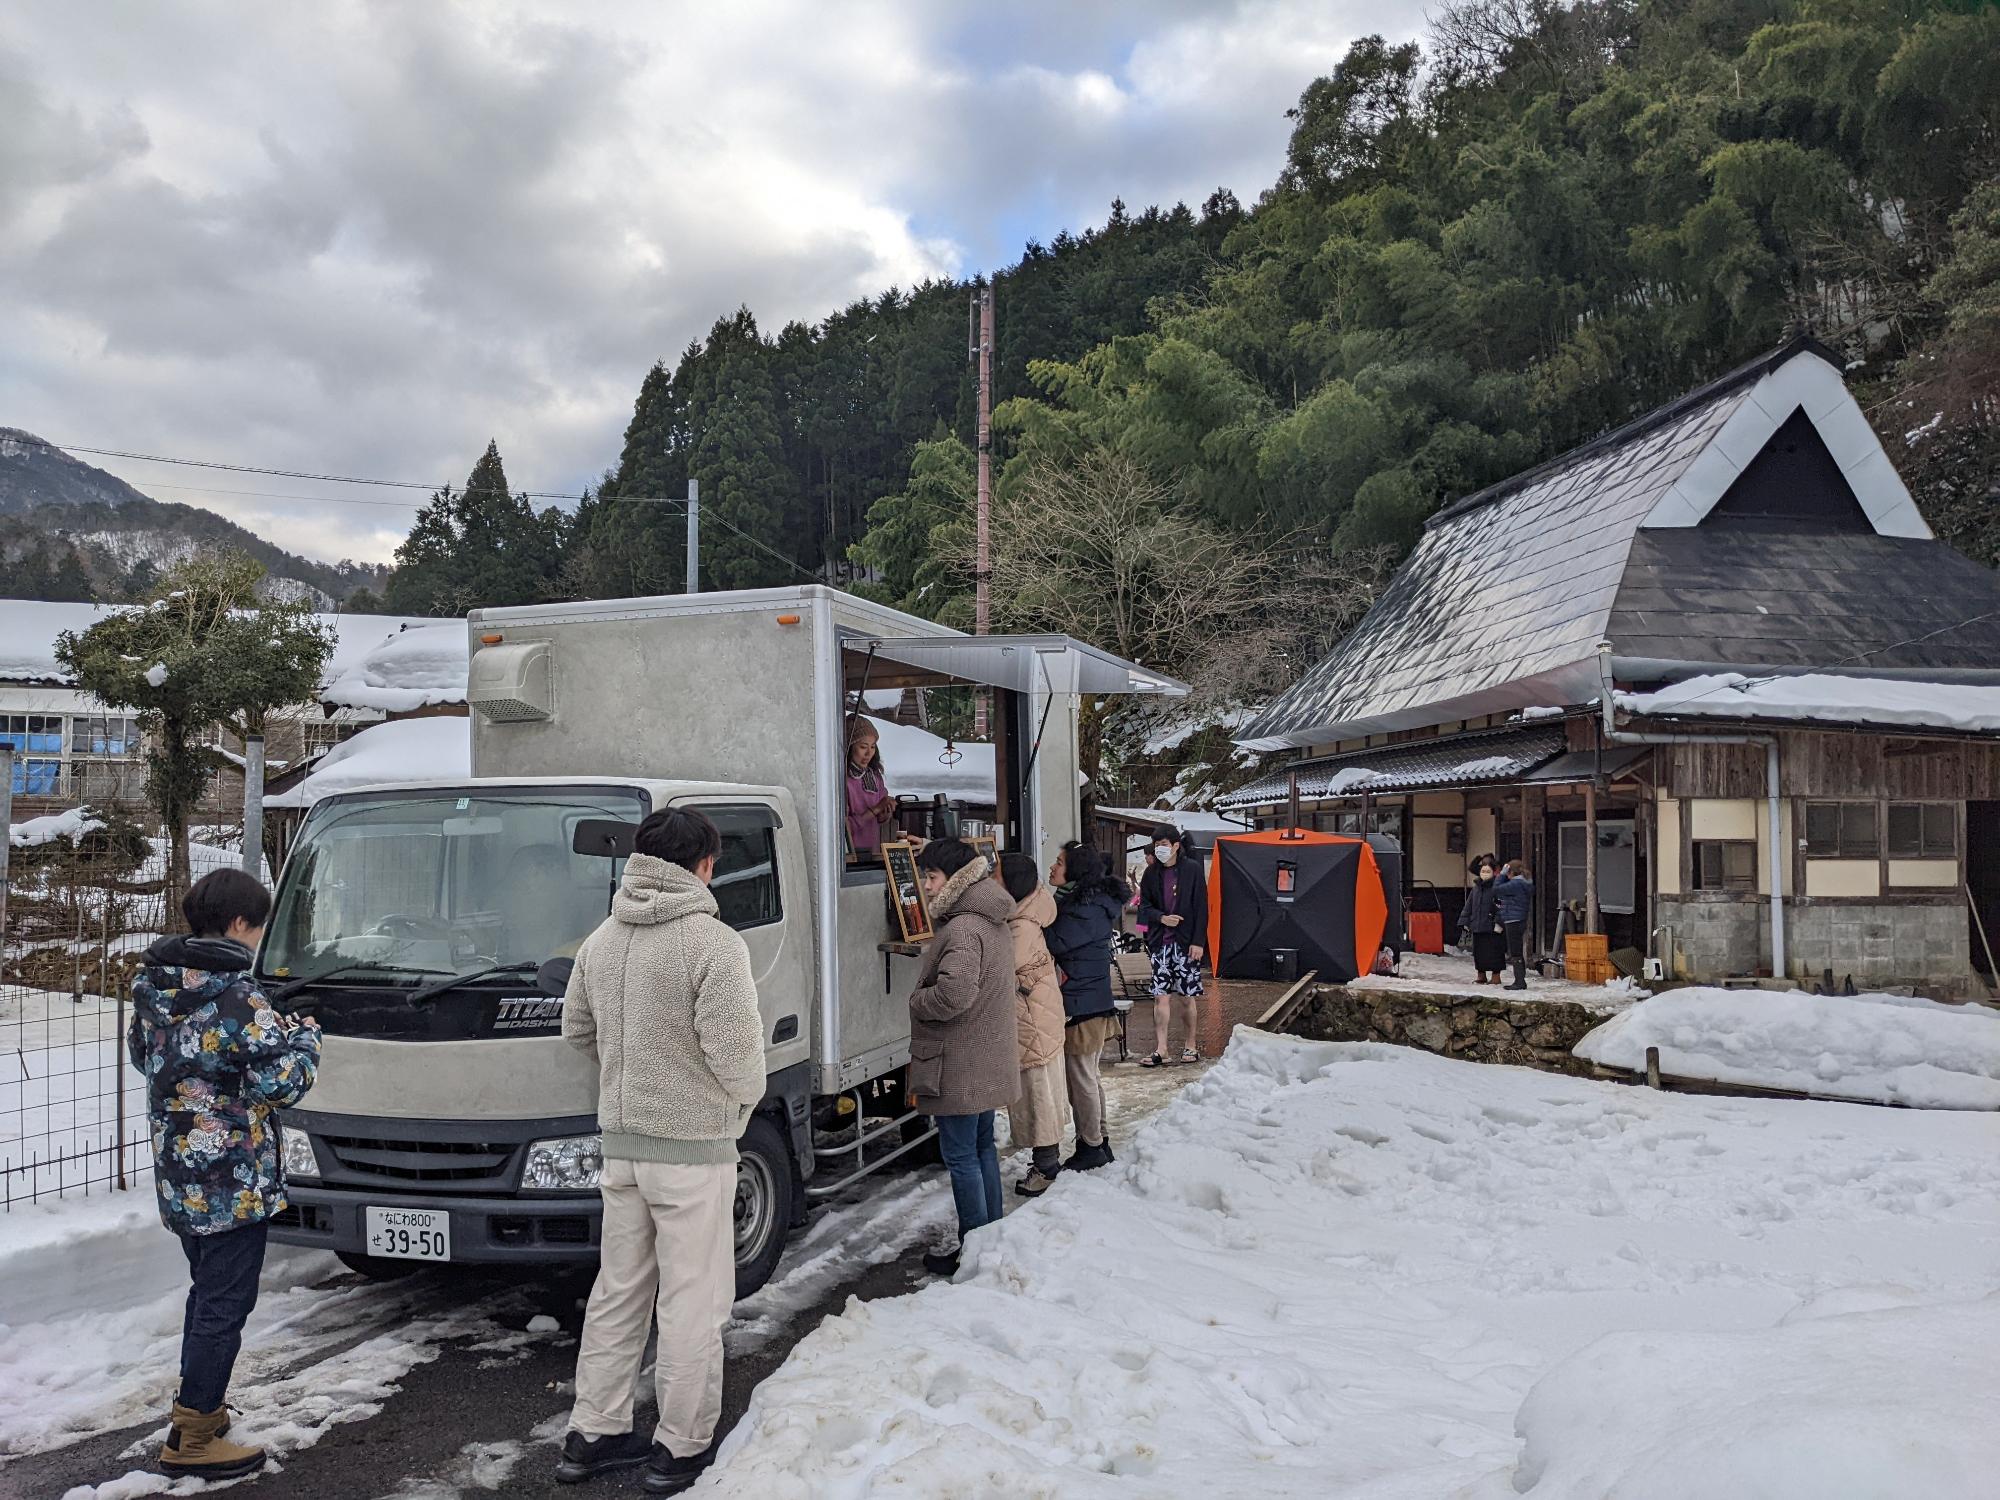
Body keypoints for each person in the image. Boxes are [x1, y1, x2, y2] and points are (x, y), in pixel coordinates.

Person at [555, 807, 766, 1494]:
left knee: (618, 1292)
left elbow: (576, 1030)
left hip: (623, 1148)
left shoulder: (603, 938)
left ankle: (593, 1432)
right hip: (694, 1149)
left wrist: (630, 1074)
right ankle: (681, 1444)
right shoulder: (713, 943)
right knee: (691, 1301)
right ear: (703, 864)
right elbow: (738, 1056)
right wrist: (739, 1104)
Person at [128, 868, 322, 1481]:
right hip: (233, 1181)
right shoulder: (240, 998)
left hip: (180, 1172)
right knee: (224, 1305)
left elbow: (145, 1058)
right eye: (259, 926)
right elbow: (282, 1084)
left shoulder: (154, 984)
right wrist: (305, 1037)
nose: (259, 938)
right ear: (239, 924)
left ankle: (202, 1414)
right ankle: (192, 1437)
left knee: (206, 1293)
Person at [908, 838, 1021, 1277]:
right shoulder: (989, 917)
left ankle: (972, 1247)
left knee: (961, 1157)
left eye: (932, 877)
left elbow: (954, 994)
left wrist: (918, 1001)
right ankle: (988, 1239)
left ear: (955, 879)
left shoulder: (962, 928)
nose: (927, 886)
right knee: (981, 1148)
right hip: (984, 1057)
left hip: (959, 1062)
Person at [1044, 842, 1128, 1171]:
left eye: (1059, 862)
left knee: (1081, 1081)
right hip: (1090, 998)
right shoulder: (1088, 901)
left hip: (1082, 1002)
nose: (1053, 867)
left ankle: (1090, 1146)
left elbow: (1052, 941)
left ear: (1075, 871)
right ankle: (1099, 1140)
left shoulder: (1082, 907)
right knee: (1089, 1077)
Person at [996, 852, 1065, 1198]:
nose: (992, 882)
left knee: (1038, 1097)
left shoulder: (1020, 927)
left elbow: (997, 970)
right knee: (1043, 1092)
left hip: (1031, 1021)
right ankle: (1046, 1162)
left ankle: (1046, 1168)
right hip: (1041, 1015)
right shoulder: (1032, 911)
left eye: (997, 877)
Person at [1137, 825, 1207, 1067]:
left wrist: (1198, 941)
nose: (1160, 849)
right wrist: (1161, 918)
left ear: (1176, 845)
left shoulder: (1192, 870)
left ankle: (1191, 1045)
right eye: (1157, 845)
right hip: (1160, 944)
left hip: (1186, 943)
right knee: (1161, 997)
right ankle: (1161, 1048)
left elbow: (1201, 907)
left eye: (1164, 845)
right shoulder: (1150, 873)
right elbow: (1144, 907)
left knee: (1187, 997)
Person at [844, 719, 897, 861]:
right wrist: (875, 809)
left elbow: (880, 815)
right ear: (849, 747)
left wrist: (885, 812)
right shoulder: (841, 780)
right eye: (863, 747)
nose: (868, 753)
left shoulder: (874, 776)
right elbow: (842, 829)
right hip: (848, 857)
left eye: (873, 747)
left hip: (872, 853)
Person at [1460, 855, 1505, 985]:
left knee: (1495, 951)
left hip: (1492, 926)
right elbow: (1469, 904)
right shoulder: (1476, 887)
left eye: (1487, 871)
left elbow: (1502, 905)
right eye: (1483, 871)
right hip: (1477, 924)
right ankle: (1481, 975)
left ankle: (1496, 976)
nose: (1485, 873)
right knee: (1479, 952)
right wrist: (1465, 920)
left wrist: (1499, 922)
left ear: (1493, 872)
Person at [1495, 859, 1536, 991]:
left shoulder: (1515, 884)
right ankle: (1520, 980)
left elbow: (1496, 889)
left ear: (1510, 871)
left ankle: (1519, 981)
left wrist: (1501, 875)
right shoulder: (1524, 883)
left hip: (1513, 919)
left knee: (1515, 952)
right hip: (1519, 919)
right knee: (1516, 950)